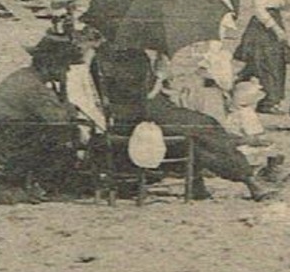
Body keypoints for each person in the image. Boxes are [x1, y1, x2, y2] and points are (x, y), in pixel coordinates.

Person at [92, 45, 274, 201]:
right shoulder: (125, 58)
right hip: (143, 115)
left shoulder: (104, 57)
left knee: (198, 135)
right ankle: (246, 171)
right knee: (203, 126)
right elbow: (144, 97)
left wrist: (162, 75)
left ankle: (207, 182)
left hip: (141, 113)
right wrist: (160, 75)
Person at [0, 34, 86, 202]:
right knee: (65, 136)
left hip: (2, 135)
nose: (67, 71)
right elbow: (58, 119)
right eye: (64, 66)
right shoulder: (35, 88)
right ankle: (49, 185)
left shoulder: (24, 76)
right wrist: (66, 100)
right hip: (12, 142)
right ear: (50, 65)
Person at [233, 0, 290, 113]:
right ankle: (268, 102)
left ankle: (257, 98)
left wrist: (286, 3)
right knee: (267, 64)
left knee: (267, 63)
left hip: (275, 19)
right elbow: (260, 10)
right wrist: (276, 29)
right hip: (263, 27)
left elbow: (278, 3)